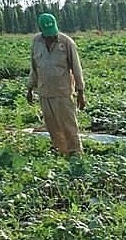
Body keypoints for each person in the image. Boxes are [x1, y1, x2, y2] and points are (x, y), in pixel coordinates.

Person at [27, 13, 86, 156]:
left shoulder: (66, 42)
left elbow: (76, 68)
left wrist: (81, 92)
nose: (50, 37)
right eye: (47, 34)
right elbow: (34, 67)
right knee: (52, 126)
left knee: (69, 125)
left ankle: (75, 152)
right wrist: (30, 88)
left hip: (63, 92)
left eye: (52, 33)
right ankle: (61, 150)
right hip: (45, 92)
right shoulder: (36, 42)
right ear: (40, 29)